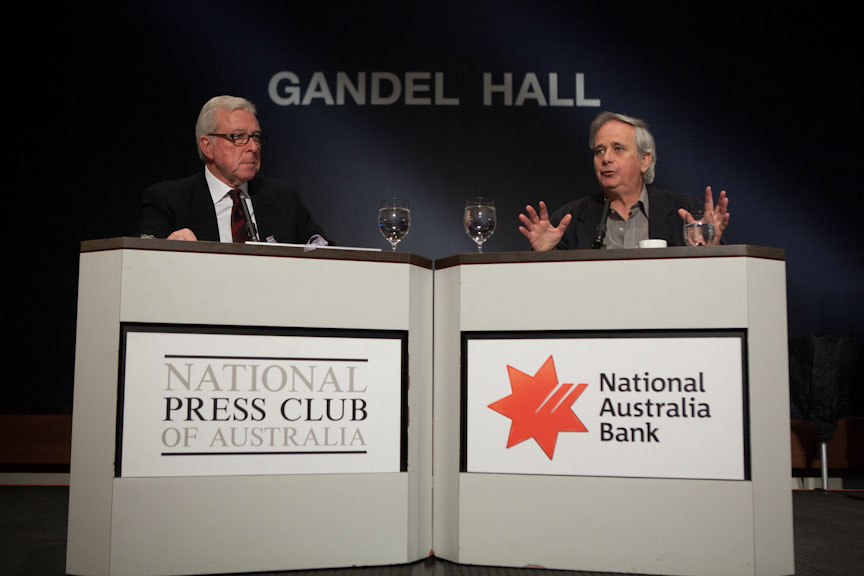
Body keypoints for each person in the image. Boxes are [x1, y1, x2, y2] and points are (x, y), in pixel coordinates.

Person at [518, 111, 730, 251]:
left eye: (618, 149)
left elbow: (713, 284)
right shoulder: (569, 219)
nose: (606, 158)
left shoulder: (684, 213)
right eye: (599, 151)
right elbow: (550, 289)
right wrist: (544, 255)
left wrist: (712, 248)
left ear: (644, 160)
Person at [139, 95, 329, 244]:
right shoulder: (168, 200)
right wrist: (170, 249)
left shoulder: (284, 199)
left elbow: (322, 250)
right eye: (238, 136)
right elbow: (143, 261)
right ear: (207, 146)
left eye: (255, 137)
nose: (253, 147)